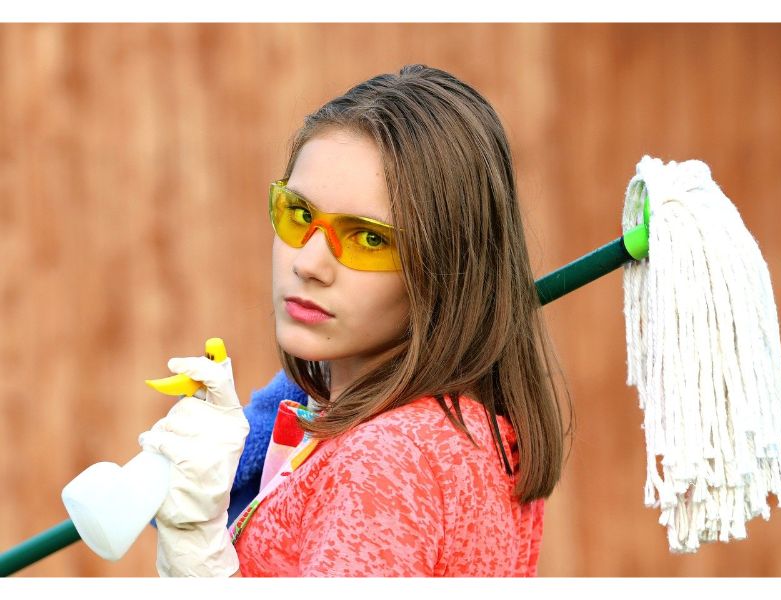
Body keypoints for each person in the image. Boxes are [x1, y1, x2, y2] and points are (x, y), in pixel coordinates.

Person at [138, 64, 572, 577]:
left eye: (368, 238)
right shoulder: (465, 430)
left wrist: (196, 557)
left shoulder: (386, 463)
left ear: (447, 269)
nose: (308, 263)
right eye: (299, 215)